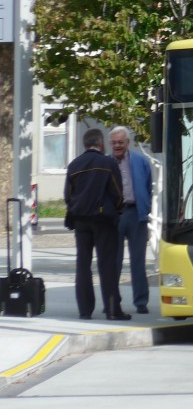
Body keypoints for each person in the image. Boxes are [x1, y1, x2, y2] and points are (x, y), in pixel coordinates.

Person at [65, 128, 130, 321]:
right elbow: (118, 193)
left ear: (85, 145)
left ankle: (85, 310)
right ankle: (112, 310)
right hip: (103, 220)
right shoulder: (108, 163)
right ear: (101, 144)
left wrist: (77, 209)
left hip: (80, 220)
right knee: (107, 265)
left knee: (83, 265)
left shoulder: (74, 165)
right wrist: (116, 210)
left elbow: (68, 196)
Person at [110, 125, 154, 314]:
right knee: (113, 262)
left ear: (128, 143)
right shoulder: (106, 163)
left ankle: (141, 302)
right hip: (114, 215)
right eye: (114, 143)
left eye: (120, 142)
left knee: (138, 261)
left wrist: (145, 207)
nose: (117, 146)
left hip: (136, 213)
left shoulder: (140, 161)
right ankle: (112, 301)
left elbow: (147, 186)